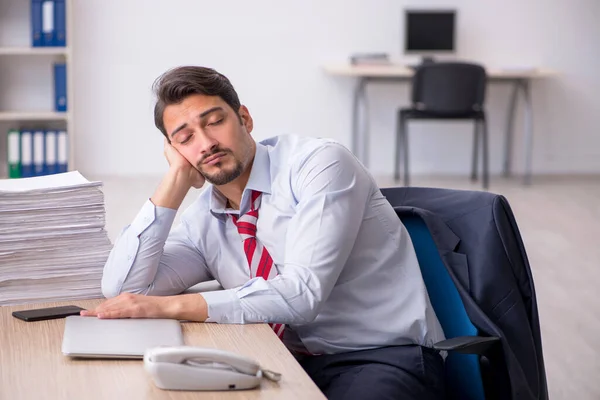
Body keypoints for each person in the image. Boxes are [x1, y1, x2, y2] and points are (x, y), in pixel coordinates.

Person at [85, 66, 446, 399]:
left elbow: (301, 294)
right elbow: (124, 289)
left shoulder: (320, 165)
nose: (206, 143)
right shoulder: (205, 219)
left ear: (244, 118)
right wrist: (175, 180)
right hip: (277, 360)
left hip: (378, 357)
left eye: (214, 122)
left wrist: (170, 306)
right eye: (186, 138)